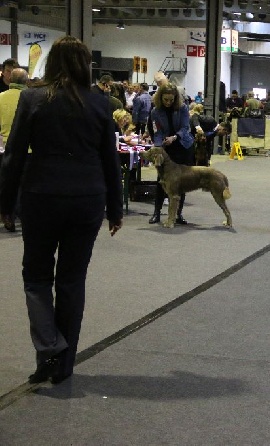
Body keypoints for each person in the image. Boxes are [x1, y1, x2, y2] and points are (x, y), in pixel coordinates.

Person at [0, 36, 123, 385]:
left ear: (52, 63)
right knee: (71, 281)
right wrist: (115, 208)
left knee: (36, 278)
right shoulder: (101, 103)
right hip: (87, 199)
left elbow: (13, 157)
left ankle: (48, 350)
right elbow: (110, 161)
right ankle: (64, 363)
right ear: (86, 65)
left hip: (41, 196)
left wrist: (5, 205)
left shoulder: (32, 98)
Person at [148, 82, 195, 225]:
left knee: (181, 182)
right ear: (160, 97)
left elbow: (186, 127)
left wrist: (174, 137)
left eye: (171, 99)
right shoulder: (155, 112)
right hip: (166, 148)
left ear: (176, 98)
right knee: (161, 181)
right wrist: (158, 148)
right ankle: (157, 213)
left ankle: (178, 214)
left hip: (183, 146)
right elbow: (156, 132)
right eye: (165, 100)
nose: (168, 102)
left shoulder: (182, 108)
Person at [0, 67, 29, 231]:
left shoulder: (1, 97)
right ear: (26, 81)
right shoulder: (30, 98)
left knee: (8, 184)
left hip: (6, 148)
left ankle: (7, 215)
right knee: (26, 185)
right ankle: (25, 217)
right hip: (28, 149)